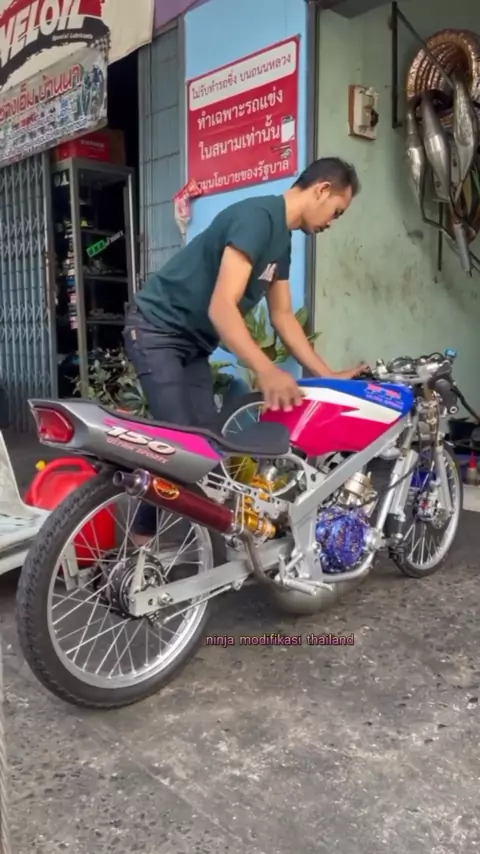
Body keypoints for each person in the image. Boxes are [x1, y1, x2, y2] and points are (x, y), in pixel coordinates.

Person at [123, 156, 367, 544]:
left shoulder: (281, 240)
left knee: (204, 446)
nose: (332, 223)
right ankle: (136, 549)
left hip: (193, 345)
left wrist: (328, 377)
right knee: (180, 447)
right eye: (337, 211)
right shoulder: (258, 218)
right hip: (156, 329)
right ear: (322, 190)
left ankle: (181, 543)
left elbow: (283, 317)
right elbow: (222, 307)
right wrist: (266, 370)